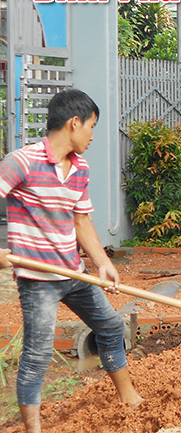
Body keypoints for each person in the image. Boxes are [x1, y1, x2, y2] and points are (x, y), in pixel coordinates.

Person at [0, 89, 142, 433]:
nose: (92, 136)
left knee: (111, 326)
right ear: (74, 123)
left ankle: (129, 397)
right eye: (91, 126)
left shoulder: (80, 168)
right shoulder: (22, 162)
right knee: (38, 352)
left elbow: (81, 221)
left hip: (74, 273)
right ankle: (33, 428)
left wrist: (102, 262)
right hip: (38, 279)